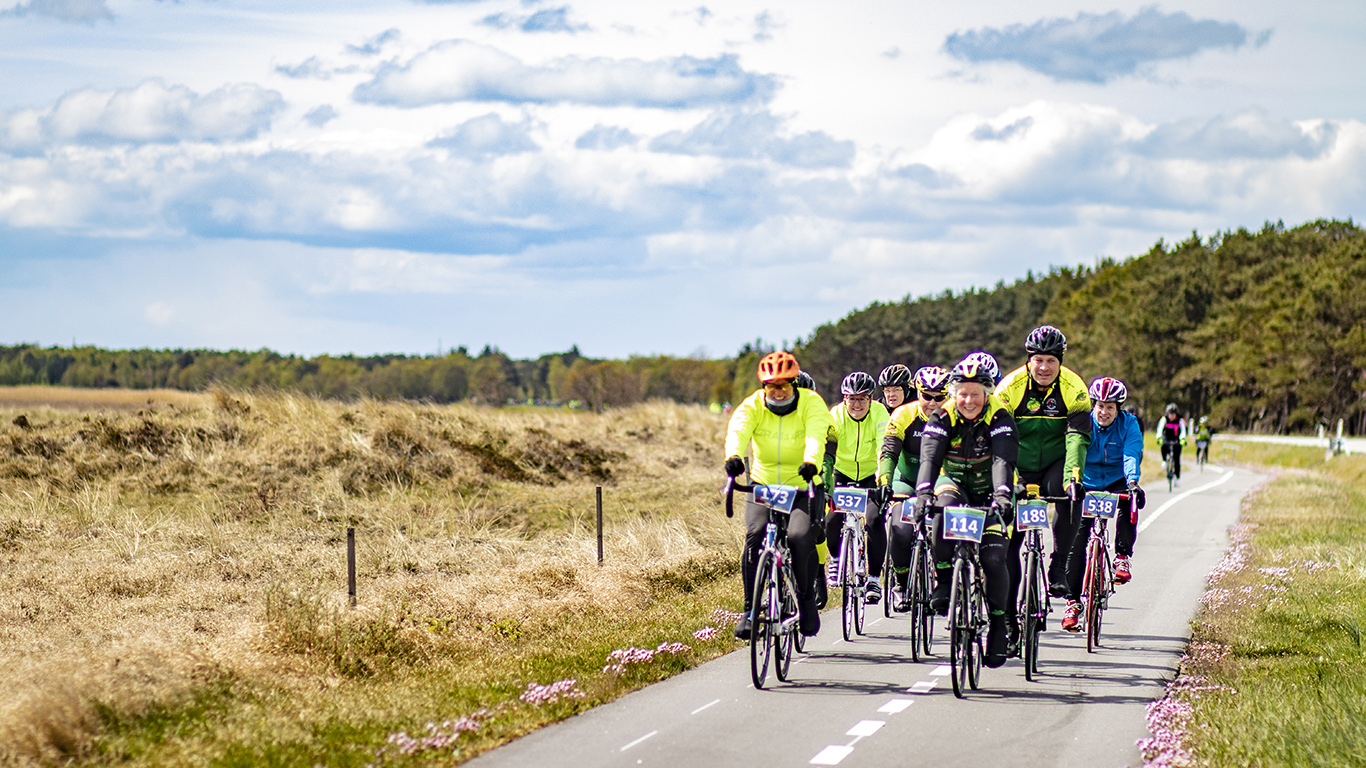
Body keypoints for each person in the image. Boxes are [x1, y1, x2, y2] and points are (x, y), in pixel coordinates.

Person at [914, 358, 1019, 668]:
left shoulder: (1000, 415)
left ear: (986, 392)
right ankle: (945, 579)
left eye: (975, 394)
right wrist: (922, 493)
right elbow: (930, 460)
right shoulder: (941, 415)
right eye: (962, 394)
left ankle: (999, 626)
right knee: (942, 510)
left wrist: (1002, 495)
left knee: (993, 558)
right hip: (954, 482)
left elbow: (1003, 461)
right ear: (954, 393)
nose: (969, 401)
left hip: (991, 488)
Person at [724, 351, 836, 639]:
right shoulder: (753, 405)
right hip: (763, 484)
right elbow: (737, 430)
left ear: (794, 383)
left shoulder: (811, 403)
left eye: (784, 385)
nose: (778, 391)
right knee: (755, 533)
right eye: (772, 386)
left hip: (803, 483)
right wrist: (733, 457)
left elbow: (815, 434)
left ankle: (806, 601)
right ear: (764, 386)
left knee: (800, 537)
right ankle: (750, 610)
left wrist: (811, 462)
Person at [993, 325, 1091, 649]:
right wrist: (1013, 483)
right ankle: (1008, 623)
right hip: (1017, 463)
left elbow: (1077, 438)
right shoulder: (1009, 388)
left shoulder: (1074, 388)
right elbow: (1002, 441)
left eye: (1051, 360)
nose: (1044, 367)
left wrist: (1072, 477)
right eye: (1038, 360)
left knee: (1072, 494)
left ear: (1060, 361)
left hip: (1054, 462)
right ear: (1029, 361)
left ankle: (1059, 564)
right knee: (1008, 547)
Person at [1062, 377, 1146, 631]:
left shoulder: (1129, 424)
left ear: (1118, 408)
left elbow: (1132, 453)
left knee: (1130, 503)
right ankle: (1072, 602)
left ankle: (1121, 556)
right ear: (1093, 405)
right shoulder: (1083, 422)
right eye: (1100, 405)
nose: (1104, 412)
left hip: (1117, 479)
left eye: (1110, 407)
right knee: (1076, 540)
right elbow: (1074, 451)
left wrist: (1132, 482)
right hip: (1087, 481)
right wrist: (1073, 480)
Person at [880, 365, 949, 610]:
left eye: (939, 397)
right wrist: (885, 482)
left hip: (939, 478)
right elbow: (888, 453)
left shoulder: (952, 414)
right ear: (917, 393)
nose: (932, 402)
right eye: (926, 396)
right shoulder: (902, 414)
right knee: (899, 528)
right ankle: (900, 583)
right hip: (907, 480)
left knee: (944, 518)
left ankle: (945, 580)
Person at [823, 371, 891, 603]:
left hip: (870, 475)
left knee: (874, 520)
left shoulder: (880, 413)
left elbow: (884, 448)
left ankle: (873, 578)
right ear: (844, 399)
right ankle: (835, 559)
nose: (857, 403)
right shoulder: (836, 415)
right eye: (852, 398)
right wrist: (826, 483)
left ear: (871, 399)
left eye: (863, 398)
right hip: (841, 473)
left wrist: (884, 481)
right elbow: (828, 453)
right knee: (832, 519)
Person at [1158, 403, 1186, 486]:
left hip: (1176, 439)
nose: (1172, 416)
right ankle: (1164, 461)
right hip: (1166, 437)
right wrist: (1159, 437)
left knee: (1177, 459)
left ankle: (1177, 478)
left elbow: (1183, 430)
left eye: (1173, 414)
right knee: (1163, 446)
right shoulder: (1164, 419)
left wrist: (1182, 439)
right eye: (1170, 414)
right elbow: (1160, 429)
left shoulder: (1180, 419)